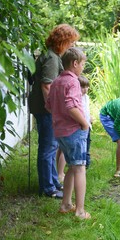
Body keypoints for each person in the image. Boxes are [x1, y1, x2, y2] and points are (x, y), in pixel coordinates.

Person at [28, 24, 80, 199]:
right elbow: (46, 86)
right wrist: (53, 110)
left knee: (51, 146)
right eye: (71, 42)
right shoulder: (51, 58)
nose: (72, 46)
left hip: (44, 109)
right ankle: (48, 188)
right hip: (45, 110)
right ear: (63, 41)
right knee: (48, 148)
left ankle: (53, 182)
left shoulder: (53, 56)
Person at [45, 47, 90, 219]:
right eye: (82, 64)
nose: (83, 68)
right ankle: (79, 211)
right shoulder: (73, 82)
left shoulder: (56, 81)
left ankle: (65, 204)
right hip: (73, 131)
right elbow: (71, 106)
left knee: (72, 166)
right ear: (75, 63)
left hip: (60, 132)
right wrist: (84, 123)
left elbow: (48, 105)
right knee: (79, 168)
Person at [56, 75, 92, 181]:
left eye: (87, 87)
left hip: (85, 125)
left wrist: (88, 120)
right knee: (64, 150)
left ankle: (67, 171)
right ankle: (60, 172)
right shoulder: (75, 96)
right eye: (82, 87)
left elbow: (85, 110)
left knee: (77, 151)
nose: (85, 89)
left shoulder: (86, 97)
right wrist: (84, 123)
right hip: (75, 127)